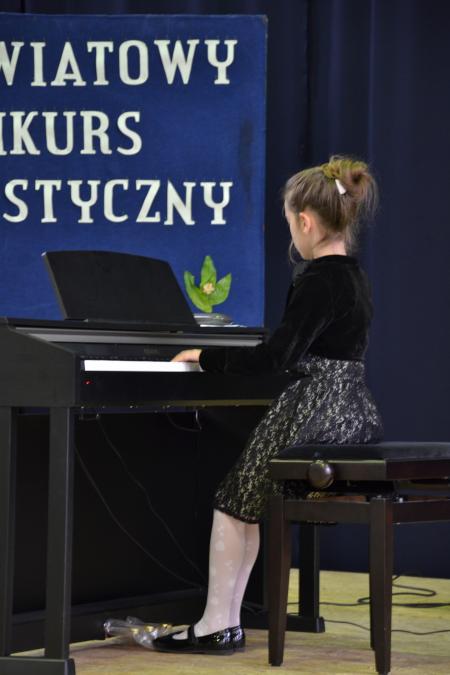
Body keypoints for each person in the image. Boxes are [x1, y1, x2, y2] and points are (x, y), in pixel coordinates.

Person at [153, 156, 383, 655]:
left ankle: (216, 625)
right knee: (247, 502)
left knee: (233, 502)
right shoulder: (355, 277)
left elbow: (275, 359)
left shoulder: (318, 279)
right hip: (352, 407)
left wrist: (204, 356)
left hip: (316, 405)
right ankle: (225, 622)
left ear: (306, 221)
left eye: (290, 223)